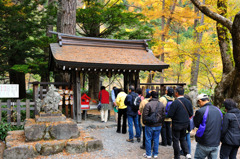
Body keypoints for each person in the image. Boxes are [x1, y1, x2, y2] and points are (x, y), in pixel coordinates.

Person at [194, 94, 223, 159]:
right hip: (215, 142)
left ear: (200, 101)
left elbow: (196, 124)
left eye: (198, 102)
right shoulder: (218, 110)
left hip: (204, 142)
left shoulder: (201, 111)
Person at [168, 86, 193, 159]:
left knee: (175, 140)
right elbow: (191, 113)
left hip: (176, 124)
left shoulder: (175, 103)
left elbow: (170, 114)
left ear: (177, 93)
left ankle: (177, 156)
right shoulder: (188, 102)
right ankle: (187, 154)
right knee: (183, 139)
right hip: (185, 124)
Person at [142, 91, 165, 158]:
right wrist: (161, 123)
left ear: (151, 96)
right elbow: (163, 115)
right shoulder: (161, 104)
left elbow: (144, 116)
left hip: (149, 125)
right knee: (156, 139)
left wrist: (144, 123)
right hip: (158, 125)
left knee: (148, 139)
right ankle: (155, 154)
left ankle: (148, 154)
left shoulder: (148, 104)